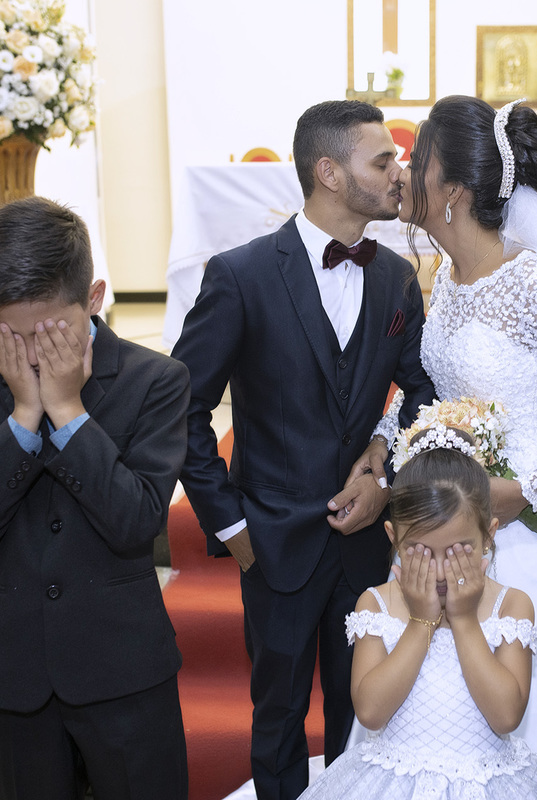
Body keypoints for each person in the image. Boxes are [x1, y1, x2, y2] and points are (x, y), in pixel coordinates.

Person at [355, 94, 537, 767]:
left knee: (530, 725)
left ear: (453, 191)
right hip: (456, 523)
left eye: (418, 160)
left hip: (535, 528)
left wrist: (529, 488)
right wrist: (384, 440)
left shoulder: (533, 284)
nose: (404, 171)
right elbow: (437, 388)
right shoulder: (450, 277)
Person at [171, 99, 435, 800]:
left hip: (365, 543)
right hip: (272, 537)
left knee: (365, 714)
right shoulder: (241, 275)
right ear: (329, 173)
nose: (398, 171)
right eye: (382, 159)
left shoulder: (396, 276)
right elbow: (180, 409)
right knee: (279, 715)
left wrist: (386, 471)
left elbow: (421, 390)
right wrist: (232, 526)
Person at [0, 197, 190, 800]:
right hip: (14, 668)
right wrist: (23, 416)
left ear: (93, 298)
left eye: (49, 331)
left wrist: (68, 411)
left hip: (123, 664)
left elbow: (136, 521)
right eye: (9, 334)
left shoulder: (156, 380)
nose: (30, 353)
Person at [300, 427, 537, 799]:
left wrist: (465, 620)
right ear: (393, 536)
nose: (438, 571)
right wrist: (421, 621)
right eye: (420, 552)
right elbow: (370, 712)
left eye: (457, 552)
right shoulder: (377, 604)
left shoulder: (511, 606)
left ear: (489, 535)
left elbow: (505, 717)